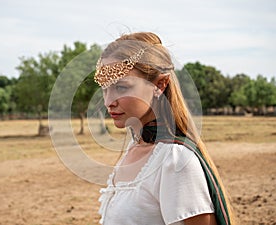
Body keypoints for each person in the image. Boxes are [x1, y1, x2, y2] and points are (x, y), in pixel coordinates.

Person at [94, 32, 235, 225]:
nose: (108, 101)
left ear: (159, 85)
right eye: (104, 88)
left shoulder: (174, 160)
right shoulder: (135, 149)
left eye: (121, 87)